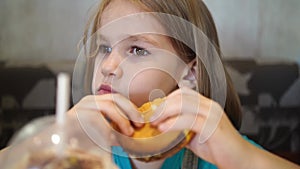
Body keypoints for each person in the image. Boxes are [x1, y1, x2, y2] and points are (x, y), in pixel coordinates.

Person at [52, 0, 300, 168]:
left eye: (137, 49)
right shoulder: (76, 148)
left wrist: (243, 159)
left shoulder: (220, 150)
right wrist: (47, 143)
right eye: (105, 48)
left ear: (190, 74)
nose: (107, 66)